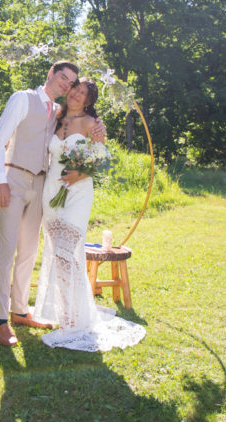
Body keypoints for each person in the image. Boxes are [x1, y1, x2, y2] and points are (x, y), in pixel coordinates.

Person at [0, 61, 105, 347]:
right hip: (14, 178)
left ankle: (19, 311)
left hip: (42, 186)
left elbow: (92, 145)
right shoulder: (22, 99)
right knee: (6, 249)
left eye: (72, 83)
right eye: (64, 78)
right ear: (51, 74)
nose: (67, 86)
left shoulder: (58, 112)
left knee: (29, 251)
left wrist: (98, 129)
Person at [32, 77, 146, 352]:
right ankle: (66, 314)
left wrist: (79, 173)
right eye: (75, 90)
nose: (77, 95)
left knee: (67, 250)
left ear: (88, 101)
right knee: (58, 255)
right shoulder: (56, 116)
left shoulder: (92, 124)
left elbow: (102, 158)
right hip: (51, 192)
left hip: (78, 193)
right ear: (69, 91)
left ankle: (74, 321)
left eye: (83, 94)